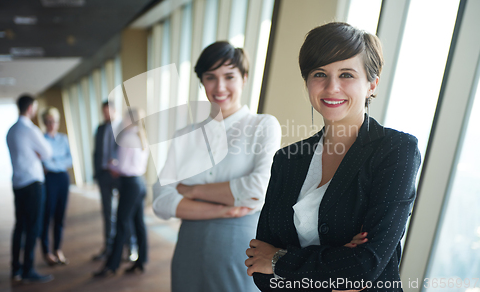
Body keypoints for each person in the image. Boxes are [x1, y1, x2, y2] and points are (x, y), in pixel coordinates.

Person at [245, 22, 421, 292]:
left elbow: (364, 267)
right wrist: (336, 270)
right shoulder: (288, 159)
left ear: (372, 84)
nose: (331, 87)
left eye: (347, 74)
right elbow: (260, 269)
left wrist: (280, 259)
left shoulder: (396, 151)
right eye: (320, 74)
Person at [153, 41, 282, 292]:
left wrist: (191, 191)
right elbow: (160, 200)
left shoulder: (263, 126)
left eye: (229, 76)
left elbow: (258, 189)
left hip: (241, 248)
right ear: (202, 82)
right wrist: (225, 209)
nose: (220, 87)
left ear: (244, 78)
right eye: (210, 77)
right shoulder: (185, 135)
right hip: (188, 247)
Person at [94, 108, 149, 276]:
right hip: (140, 183)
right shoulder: (142, 136)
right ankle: (141, 261)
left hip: (129, 185)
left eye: (125, 118)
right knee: (139, 224)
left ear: (129, 119)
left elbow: (122, 167)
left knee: (121, 224)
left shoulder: (126, 137)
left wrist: (111, 165)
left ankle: (111, 266)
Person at [7, 94, 53, 283]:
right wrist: (38, 153)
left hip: (18, 183)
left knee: (20, 227)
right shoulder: (30, 129)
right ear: (30, 108)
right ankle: (28, 269)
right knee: (34, 227)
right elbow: (48, 153)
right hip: (33, 184)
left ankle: (16, 269)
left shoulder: (11, 131)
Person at [40, 107, 72, 266]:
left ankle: (58, 249)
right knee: (48, 215)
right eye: (49, 122)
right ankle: (47, 252)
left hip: (63, 178)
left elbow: (70, 160)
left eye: (54, 122)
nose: (52, 124)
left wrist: (54, 162)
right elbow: (45, 163)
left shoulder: (63, 139)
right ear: (45, 123)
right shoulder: (42, 139)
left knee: (60, 216)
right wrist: (58, 163)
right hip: (49, 179)